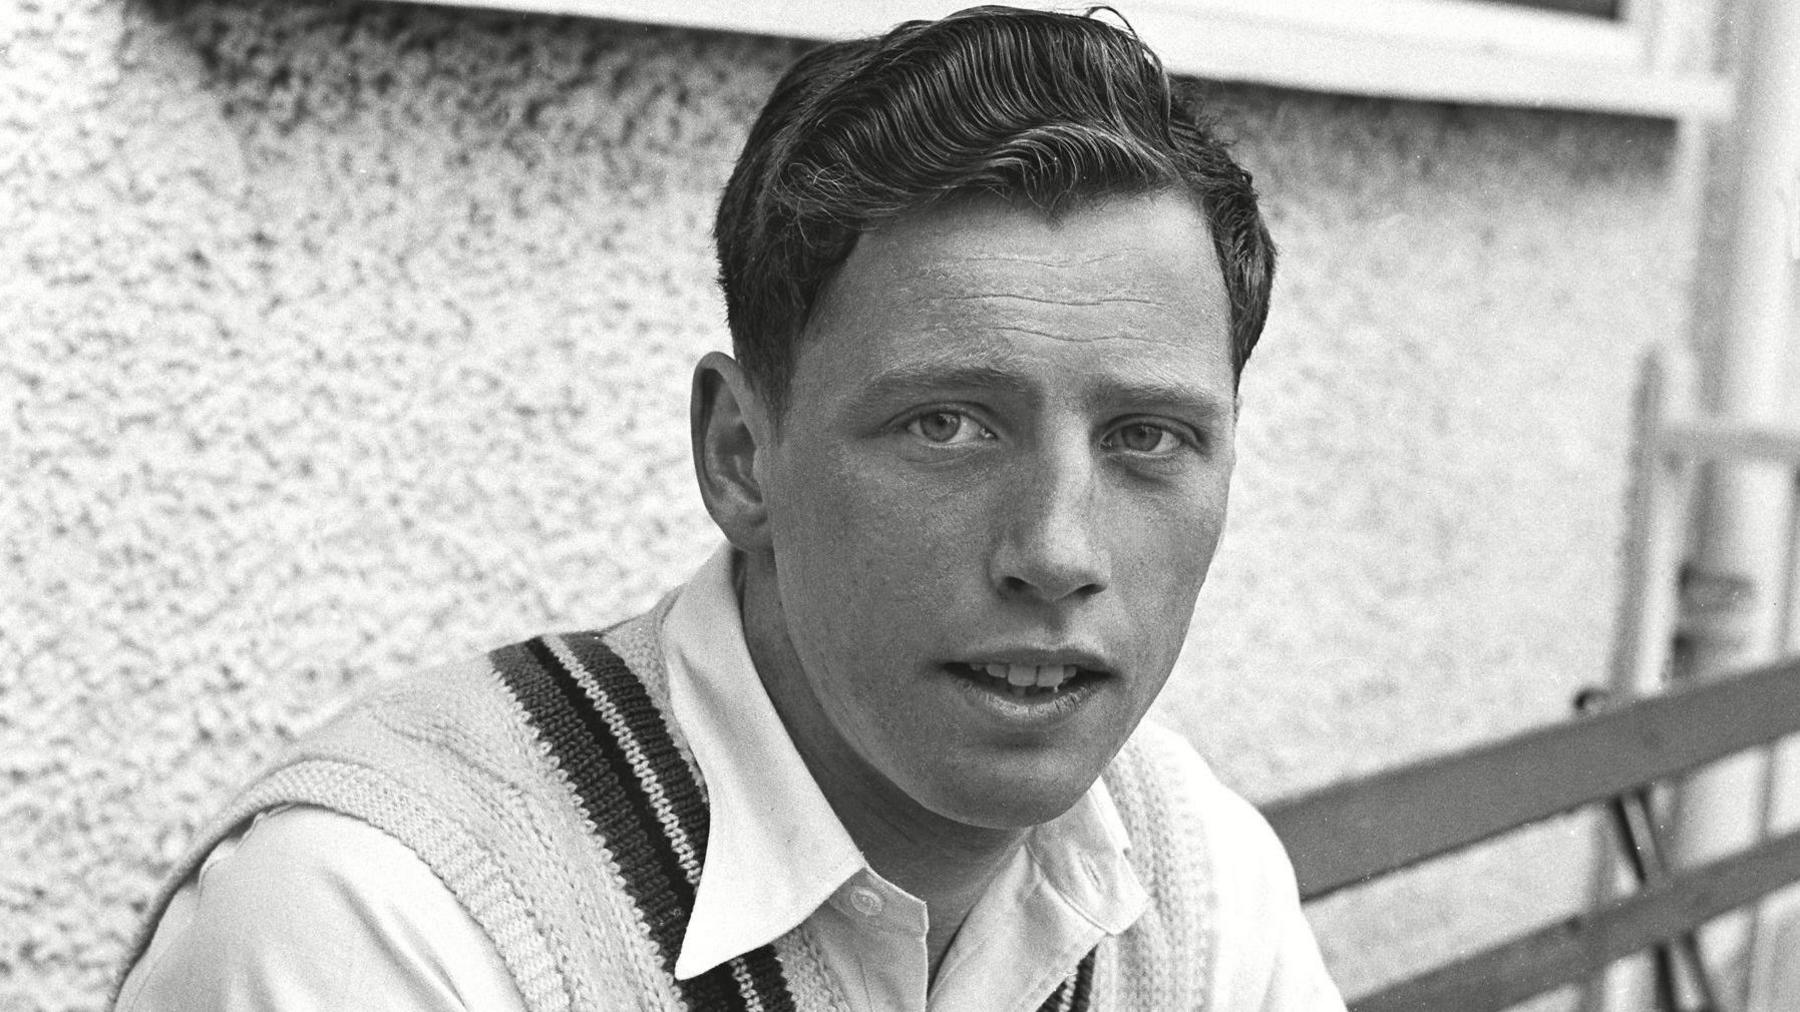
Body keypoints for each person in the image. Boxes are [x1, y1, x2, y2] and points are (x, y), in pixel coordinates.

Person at [116, 6, 1345, 1009]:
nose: (1057, 551)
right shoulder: (380, 925)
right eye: (948, 425)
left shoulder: (1195, 877)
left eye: (1147, 438)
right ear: (742, 454)